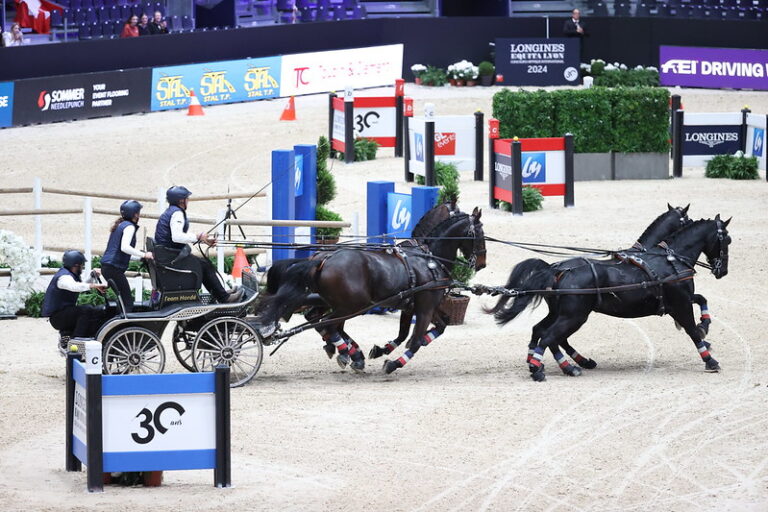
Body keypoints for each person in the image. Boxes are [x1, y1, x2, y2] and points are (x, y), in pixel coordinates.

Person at [155, 186, 243, 303]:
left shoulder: (170, 211)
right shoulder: (177, 213)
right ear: (181, 200)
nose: (188, 201)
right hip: (171, 257)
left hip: (169, 254)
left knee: (203, 264)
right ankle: (224, 297)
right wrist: (198, 236)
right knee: (204, 266)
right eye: (187, 198)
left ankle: (220, 294)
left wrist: (203, 240)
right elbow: (176, 237)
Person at [42, 251, 109, 345]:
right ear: (76, 265)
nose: (82, 268)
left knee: (93, 311)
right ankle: (77, 339)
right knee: (85, 310)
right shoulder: (63, 277)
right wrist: (94, 286)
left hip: (62, 314)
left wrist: (92, 276)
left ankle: (69, 335)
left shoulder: (68, 274)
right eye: (81, 265)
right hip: (57, 317)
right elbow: (74, 287)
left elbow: (80, 286)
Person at [101, 200, 154, 313]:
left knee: (122, 300)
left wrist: (140, 258)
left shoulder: (120, 225)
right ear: (135, 214)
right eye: (138, 212)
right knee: (127, 302)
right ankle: (125, 326)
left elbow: (121, 252)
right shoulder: (129, 227)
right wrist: (144, 254)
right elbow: (124, 248)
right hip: (113, 269)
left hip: (108, 268)